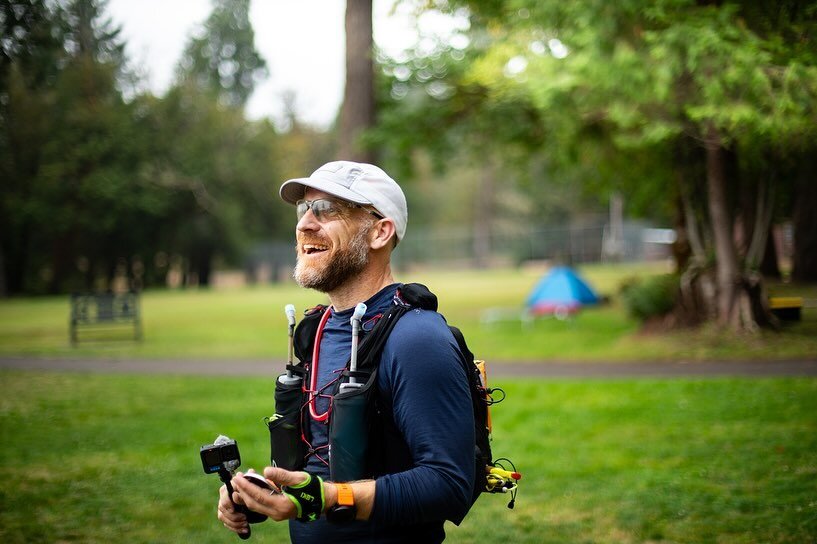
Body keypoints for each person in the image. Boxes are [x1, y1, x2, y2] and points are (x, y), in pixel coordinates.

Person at [217, 161, 475, 543]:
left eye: (327, 210)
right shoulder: (317, 330)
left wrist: (328, 498)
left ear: (379, 232)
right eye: (305, 209)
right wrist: (266, 493)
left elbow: (450, 484)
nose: (305, 224)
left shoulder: (416, 338)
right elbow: (321, 466)